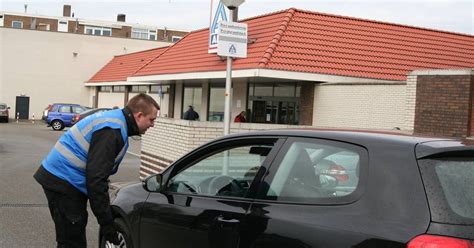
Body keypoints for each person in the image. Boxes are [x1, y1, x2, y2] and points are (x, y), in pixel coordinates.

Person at [33, 93, 159, 247]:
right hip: (63, 182)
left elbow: (98, 175)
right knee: (71, 241)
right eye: (151, 120)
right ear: (139, 115)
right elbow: (96, 179)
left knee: (72, 236)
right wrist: (107, 224)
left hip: (64, 179)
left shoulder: (117, 122)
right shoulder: (113, 131)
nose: (152, 124)